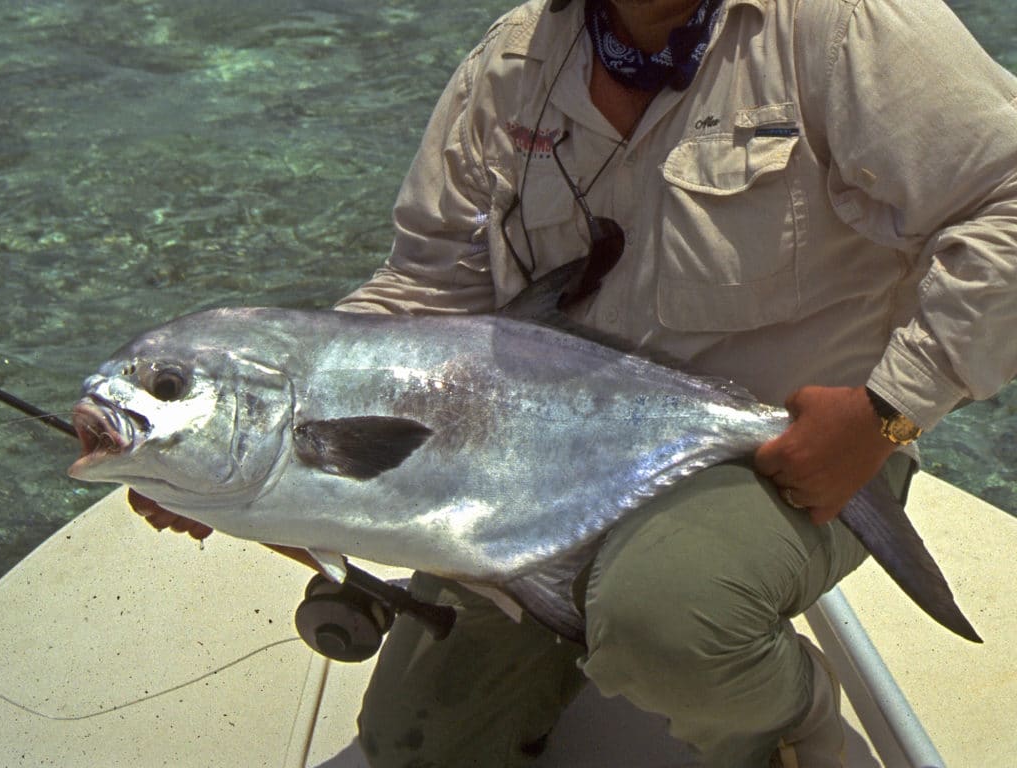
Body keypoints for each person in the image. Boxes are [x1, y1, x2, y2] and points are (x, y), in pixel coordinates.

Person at [132, 0, 1017, 765]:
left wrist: (889, 413)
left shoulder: (838, 27)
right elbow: (428, 287)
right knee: (419, 744)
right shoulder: (513, 64)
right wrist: (230, 436)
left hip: (792, 451)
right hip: (530, 457)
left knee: (666, 617)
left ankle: (792, 723)